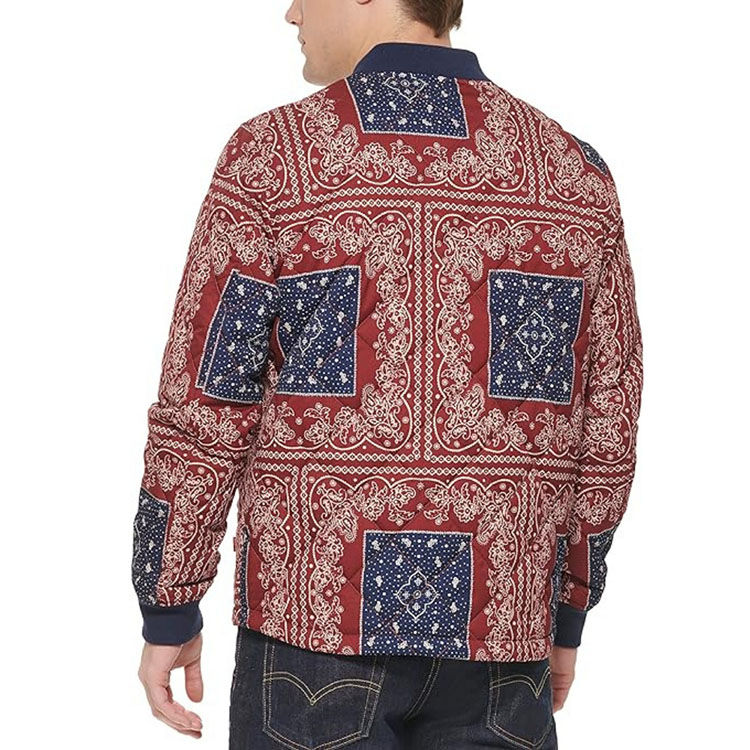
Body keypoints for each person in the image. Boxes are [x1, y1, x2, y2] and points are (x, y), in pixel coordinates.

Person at [131, 1, 644, 747]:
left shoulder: (274, 157)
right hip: (505, 640)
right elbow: (610, 416)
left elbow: (206, 400)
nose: (290, 12)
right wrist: (569, 607)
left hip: (312, 633)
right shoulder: (573, 173)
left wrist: (168, 600)